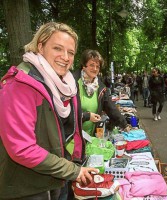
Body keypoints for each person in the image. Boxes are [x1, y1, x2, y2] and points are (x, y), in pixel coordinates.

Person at [0, 22, 99, 200]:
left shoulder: (66, 85)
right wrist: (72, 170)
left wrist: (73, 163)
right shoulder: (19, 85)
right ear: (40, 46)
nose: (65, 57)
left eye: (71, 52)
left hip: (57, 180)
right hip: (28, 189)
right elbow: (22, 148)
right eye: (57, 48)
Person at [73, 49, 130, 136]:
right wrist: (87, 116)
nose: (95, 69)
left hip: (90, 136)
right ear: (84, 66)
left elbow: (110, 107)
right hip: (73, 136)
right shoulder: (72, 83)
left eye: (98, 66)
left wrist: (124, 124)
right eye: (92, 65)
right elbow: (67, 113)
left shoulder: (100, 86)